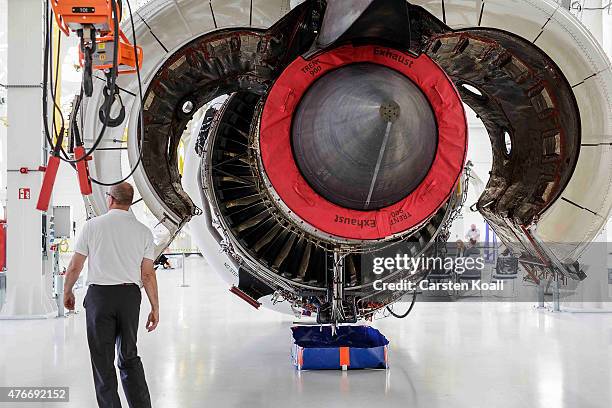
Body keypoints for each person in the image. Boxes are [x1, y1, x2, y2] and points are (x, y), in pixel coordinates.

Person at [63, 182, 159, 408]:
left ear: (110, 198)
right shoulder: (143, 232)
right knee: (129, 355)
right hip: (129, 297)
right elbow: (147, 275)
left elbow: (75, 267)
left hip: (100, 298)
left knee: (102, 360)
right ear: (130, 202)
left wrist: (67, 292)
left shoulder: (92, 226)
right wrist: (155, 308)